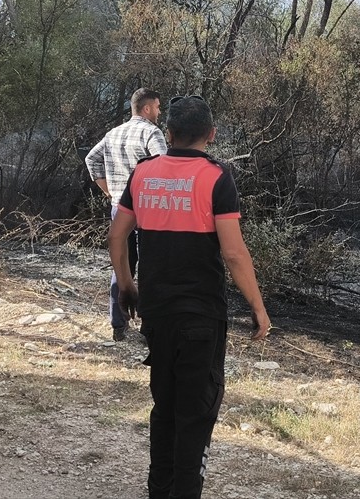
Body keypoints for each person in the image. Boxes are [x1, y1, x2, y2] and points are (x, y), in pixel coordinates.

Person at [109, 95, 270, 499]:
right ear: (211, 135)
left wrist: (128, 286)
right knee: (195, 414)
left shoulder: (144, 173)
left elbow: (116, 237)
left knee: (165, 409)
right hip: (201, 315)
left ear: (169, 134)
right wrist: (258, 307)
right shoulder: (217, 177)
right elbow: (233, 253)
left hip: (157, 312)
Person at [85, 87, 167, 341]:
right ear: (146, 108)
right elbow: (164, 165)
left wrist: (108, 190)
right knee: (151, 264)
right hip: (147, 208)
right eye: (157, 107)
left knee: (122, 263)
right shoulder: (152, 133)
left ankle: (118, 324)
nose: (160, 111)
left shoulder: (113, 133)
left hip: (119, 207)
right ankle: (150, 324)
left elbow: (91, 159)